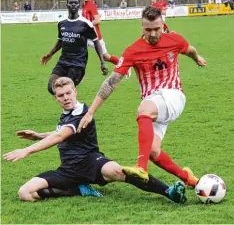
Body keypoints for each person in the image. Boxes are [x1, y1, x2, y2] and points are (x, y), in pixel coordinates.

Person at [78, 7, 207, 187]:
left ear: (163, 25)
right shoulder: (133, 51)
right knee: (153, 151)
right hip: (154, 102)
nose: (153, 33)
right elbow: (112, 82)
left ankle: (141, 166)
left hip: (173, 95)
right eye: (148, 29)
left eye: (157, 28)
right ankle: (188, 179)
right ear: (141, 26)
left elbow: (189, 49)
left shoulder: (174, 40)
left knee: (143, 110)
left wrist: (196, 57)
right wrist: (91, 111)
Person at [3, 77, 187, 203]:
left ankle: (169, 192)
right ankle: (78, 189)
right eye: (61, 95)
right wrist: (38, 135)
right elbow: (61, 132)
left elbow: (60, 136)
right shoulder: (66, 114)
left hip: (91, 161)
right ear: (56, 98)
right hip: (68, 169)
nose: (66, 98)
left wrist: (27, 150)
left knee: (119, 171)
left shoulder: (82, 112)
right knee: (25, 193)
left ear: (75, 91)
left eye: (68, 93)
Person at [40, 0, 108, 95]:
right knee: (51, 87)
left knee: (66, 90)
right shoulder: (62, 23)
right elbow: (60, 41)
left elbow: (96, 41)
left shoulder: (85, 24)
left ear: (79, 5)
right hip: (63, 62)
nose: (73, 5)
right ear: (67, 5)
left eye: (75, 3)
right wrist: (50, 54)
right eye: (71, 3)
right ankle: (71, 106)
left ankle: (76, 106)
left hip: (78, 64)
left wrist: (102, 62)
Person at [82, 0, 119, 65]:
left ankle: (123, 65)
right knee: (77, 53)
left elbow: (97, 21)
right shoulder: (85, 5)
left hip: (95, 37)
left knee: (105, 57)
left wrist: (86, 26)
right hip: (86, 36)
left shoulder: (91, 5)